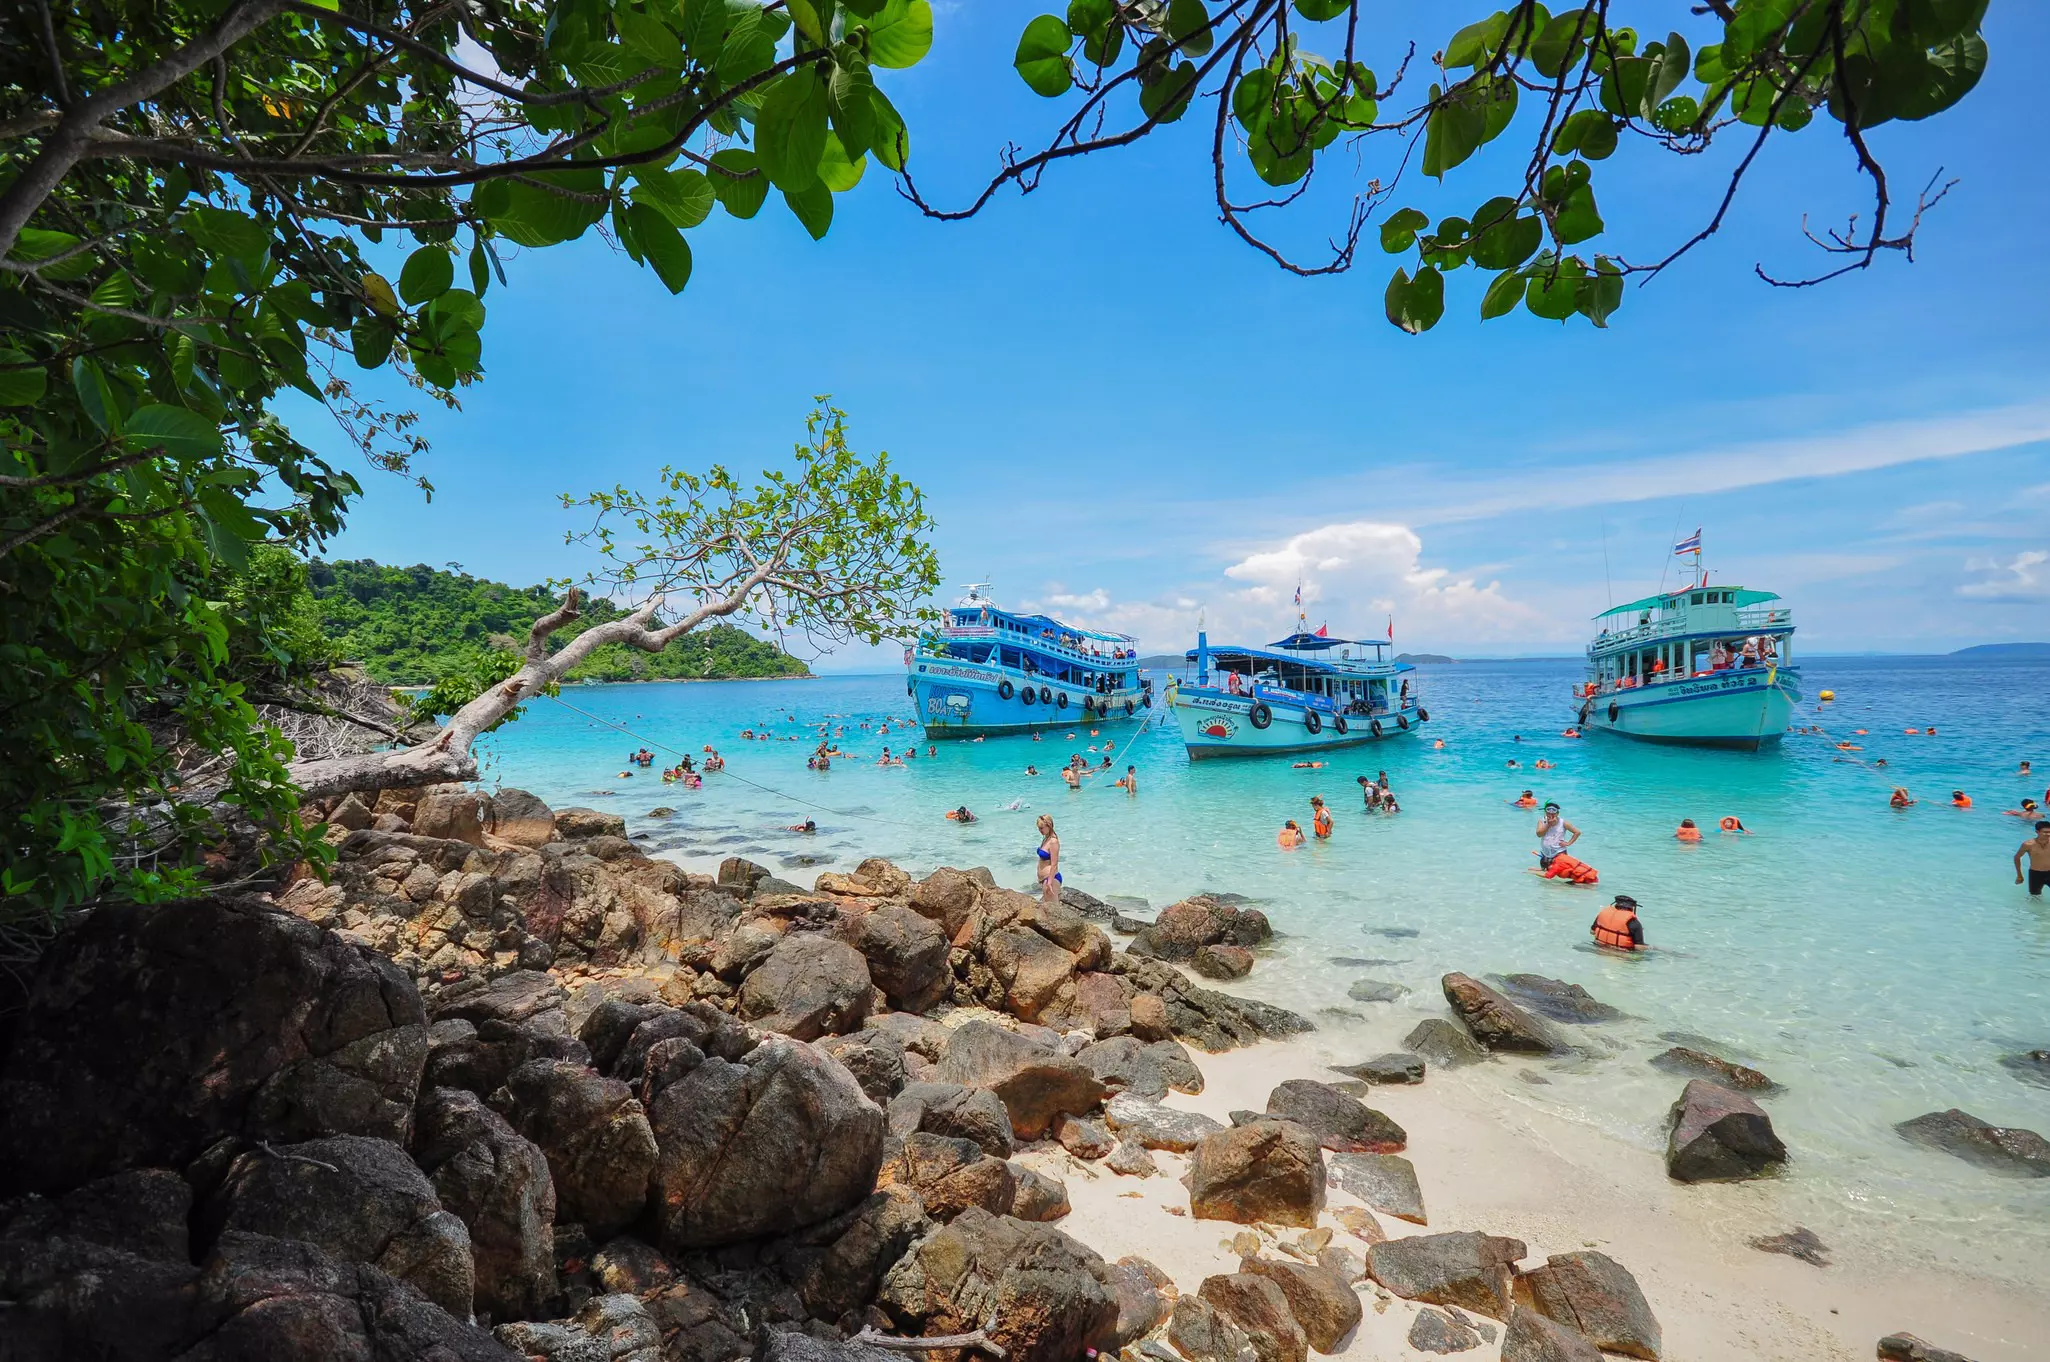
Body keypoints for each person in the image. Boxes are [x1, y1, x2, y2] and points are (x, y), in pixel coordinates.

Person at [1536, 802, 1580, 871]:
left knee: (1562, 873)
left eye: (1553, 813)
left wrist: (1568, 843)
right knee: (1545, 874)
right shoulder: (1542, 821)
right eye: (1548, 813)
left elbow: (1577, 832)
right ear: (1545, 812)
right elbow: (1539, 834)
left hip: (1559, 853)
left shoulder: (1563, 822)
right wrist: (1548, 825)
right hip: (1545, 853)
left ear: (1557, 813)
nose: (1551, 815)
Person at [2017, 821, 2050, 896]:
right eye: (2045, 832)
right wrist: (2019, 875)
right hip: (2035, 874)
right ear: (2037, 832)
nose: (2048, 834)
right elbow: (2017, 858)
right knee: (2034, 897)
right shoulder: (2028, 844)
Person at [1035, 815, 1062, 907]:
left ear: (1049, 826)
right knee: (1047, 910)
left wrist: (1049, 881)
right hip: (1045, 880)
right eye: (1038, 828)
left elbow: (1054, 864)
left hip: (1051, 879)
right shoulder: (1046, 839)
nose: (1040, 830)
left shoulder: (1053, 841)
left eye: (1041, 828)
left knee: (1054, 911)